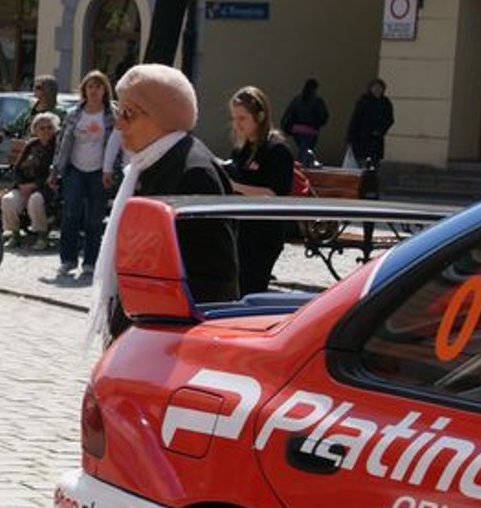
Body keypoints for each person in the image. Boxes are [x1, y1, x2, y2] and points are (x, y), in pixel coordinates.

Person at [88, 63, 239, 344]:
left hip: (171, 340)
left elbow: (213, 282)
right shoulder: (150, 163)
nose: (119, 126)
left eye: (128, 114)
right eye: (118, 111)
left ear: (161, 116)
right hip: (144, 330)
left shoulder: (193, 172)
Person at [223, 84, 296, 296]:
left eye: (242, 118)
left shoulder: (277, 150)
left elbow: (275, 194)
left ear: (260, 115)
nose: (237, 124)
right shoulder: (242, 149)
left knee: (250, 290)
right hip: (240, 230)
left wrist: (236, 186)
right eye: (234, 118)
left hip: (262, 234)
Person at [49, 70, 114, 280]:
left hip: (100, 171)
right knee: (71, 214)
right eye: (90, 87)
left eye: (99, 86)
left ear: (105, 90)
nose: (94, 91)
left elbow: (118, 145)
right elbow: (62, 145)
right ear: (84, 90)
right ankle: (67, 260)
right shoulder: (74, 114)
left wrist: (111, 169)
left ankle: (90, 262)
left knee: (95, 219)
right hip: (75, 169)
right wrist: (56, 170)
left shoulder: (111, 114)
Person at [1, 112, 60, 249]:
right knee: (8, 200)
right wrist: (21, 185)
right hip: (24, 186)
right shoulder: (31, 145)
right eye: (42, 128)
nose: (46, 131)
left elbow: (56, 171)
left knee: (36, 199)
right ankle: (14, 234)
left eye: (49, 127)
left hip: (46, 187)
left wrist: (34, 185)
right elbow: (17, 168)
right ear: (35, 130)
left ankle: (42, 235)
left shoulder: (57, 147)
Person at [345, 77, 394, 168]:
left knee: (374, 165)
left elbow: (389, 119)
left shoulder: (385, 102)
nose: (377, 90)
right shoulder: (364, 101)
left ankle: (370, 180)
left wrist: (381, 130)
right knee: (362, 163)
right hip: (361, 139)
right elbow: (355, 120)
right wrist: (350, 138)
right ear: (370, 88)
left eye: (380, 88)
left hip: (376, 139)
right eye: (375, 87)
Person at [279, 77, 329, 165]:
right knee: (306, 150)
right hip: (311, 130)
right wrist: (318, 124)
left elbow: (289, 113)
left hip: (297, 130)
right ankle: (303, 165)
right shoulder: (317, 100)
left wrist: (287, 127)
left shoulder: (297, 99)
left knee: (303, 149)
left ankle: (304, 164)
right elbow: (323, 116)